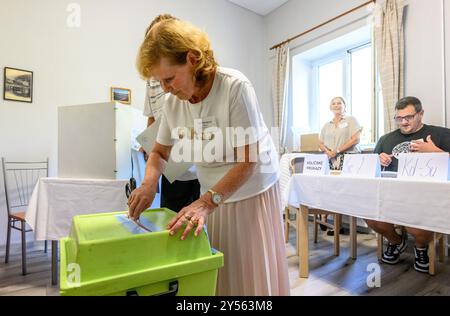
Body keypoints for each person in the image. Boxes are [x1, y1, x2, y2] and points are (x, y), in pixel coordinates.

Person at [129, 18, 290, 296]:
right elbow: (158, 152)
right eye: (160, 81)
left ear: (192, 59)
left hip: (251, 188)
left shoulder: (234, 87)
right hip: (212, 192)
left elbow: (248, 160)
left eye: (169, 79)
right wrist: (148, 184)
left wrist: (205, 203)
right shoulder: (172, 102)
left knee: (249, 269)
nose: (166, 88)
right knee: (219, 265)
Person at [367, 96, 450, 273]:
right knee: (367, 210)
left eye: (409, 117)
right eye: (399, 118)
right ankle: (396, 241)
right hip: (390, 193)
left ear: (421, 114)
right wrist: (378, 161)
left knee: (414, 217)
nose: (403, 122)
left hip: (424, 196)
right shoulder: (385, 139)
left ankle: (421, 247)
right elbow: (370, 166)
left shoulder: (441, 134)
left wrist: (435, 152)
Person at [140, 14, 200, 212]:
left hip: (197, 156)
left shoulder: (191, 81)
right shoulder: (153, 82)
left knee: (199, 215)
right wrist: (149, 148)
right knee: (171, 216)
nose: (165, 87)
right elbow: (152, 117)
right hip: (170, 160)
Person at [318, 96, 362, 235]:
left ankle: (338, 225)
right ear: (330, 107)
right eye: (333, 103)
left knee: (343, 192)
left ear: (345, 105)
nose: (336, 105)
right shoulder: (327, 124)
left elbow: (356, 139)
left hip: (348, 159)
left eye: (339, 103)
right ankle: (334, 222)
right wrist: (328, 152)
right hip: (332, 160)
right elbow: (320, 142)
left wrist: (336, 150)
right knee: (333, 191)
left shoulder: (351, 120)